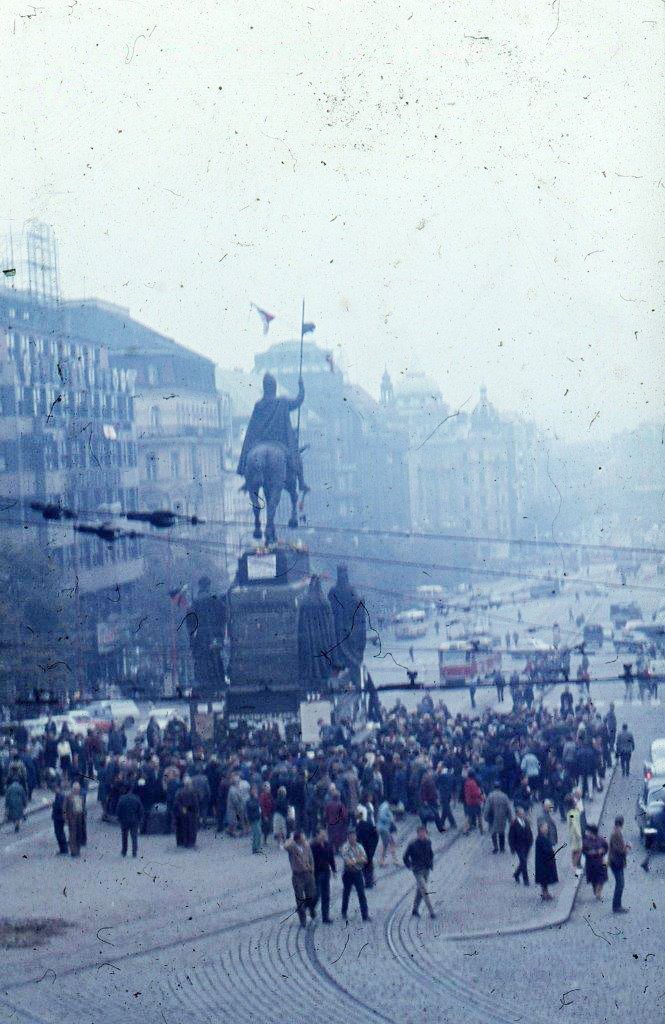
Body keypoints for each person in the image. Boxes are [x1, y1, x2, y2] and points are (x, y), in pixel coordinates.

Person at [283, 829, 317, 927]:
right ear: (297, 839)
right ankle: (303, 919)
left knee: (312, 894)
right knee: (299, 899)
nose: (304, 838)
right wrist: (291, 838)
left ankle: (311, 909)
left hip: (308, 874)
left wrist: (312, 869)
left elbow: (311, 857)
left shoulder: (306, 845)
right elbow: (285, 846)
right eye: (302, 837)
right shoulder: (292, 847)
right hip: (298, 876)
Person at [403, 824, 436, 919]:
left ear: (426, 833)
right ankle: (431, 912)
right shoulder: (412, 844)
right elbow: (405, 857)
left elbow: (431, 853)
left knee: (420, 890)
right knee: (424, 889)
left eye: (424, 833)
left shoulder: (428, 842)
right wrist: (410, 866)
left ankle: (415, 909)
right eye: (420, 834)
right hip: (417, 870)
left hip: (426, 869)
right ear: (417, 834)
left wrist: (430, 864)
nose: (422, 835)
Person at [340, 826, 370, 922]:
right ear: (348, 837)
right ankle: (344, 911)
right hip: (348, 873)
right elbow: (348, 862)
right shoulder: (345, 847)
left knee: (361, 893)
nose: (353, 838)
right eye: (351, 836)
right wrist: (358, 859)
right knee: (346, 893)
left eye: (354, 836)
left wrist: (355, 860)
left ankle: (365, 915)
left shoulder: (359, 846)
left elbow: (365, 859)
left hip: (357, 873)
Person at [311, 827, 337, 924]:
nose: (324, 836)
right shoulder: (312, 846)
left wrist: (334, 870)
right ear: (317, 835)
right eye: (322, 835)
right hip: (316, 873)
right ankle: (311, 907)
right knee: (316, 895)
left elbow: (331, 858)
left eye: (325, 835)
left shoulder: (328, 845)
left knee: (326, 896)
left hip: (326, 872)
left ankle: (325, 917)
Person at [609, 815, 630, 912]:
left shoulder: (616, 832)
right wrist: (628, 847)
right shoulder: (616, 833)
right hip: (616, 862)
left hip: (616, 862)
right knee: (620, 884)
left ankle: (617, 905)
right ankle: (616, 906)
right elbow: (620, 850)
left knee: (620, 883)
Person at [583, 823, 609, 899]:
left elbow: (606, 848)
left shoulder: (601, 840)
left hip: (600, 862)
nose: (587, 833)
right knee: (594, 880)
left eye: (589, 832)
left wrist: (603, 852)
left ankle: (599, 892)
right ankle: (595, 890)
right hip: (591, 864)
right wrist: (593, 852)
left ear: (592, 832)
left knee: (601, 879)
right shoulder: (586, 841)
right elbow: (584, 852)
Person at [116, 785, 143, 858]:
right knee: (134, 836)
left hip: (124, 820)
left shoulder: (122, 798)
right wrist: (139, 819)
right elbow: (140, 809)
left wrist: (119, 818)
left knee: (124, 836)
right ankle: (134, 852)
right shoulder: (136, 798)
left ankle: (124, 851)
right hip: (134, 820)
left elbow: (118, 810)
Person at [509, 806, 533, 886]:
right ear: (517, 814)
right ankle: (526, 880)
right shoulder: (514, 823)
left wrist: (531, 841)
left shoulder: (526, 821)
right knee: (523, 861)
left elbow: (529, 831)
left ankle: (516, 874)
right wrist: (512, 848)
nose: (523, 815)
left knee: (524, 861)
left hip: (527, 845)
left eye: (523, 813)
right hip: (518, 846)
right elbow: (511, 836)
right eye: (521, 813)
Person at [484, 785, 512, 853]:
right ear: (500, 788)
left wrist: (486, 817)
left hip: (492, 817)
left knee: (493, 832)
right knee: (501, 832)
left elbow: (487, 808)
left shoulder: (490, 796)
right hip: (502, 817)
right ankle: (502, 848)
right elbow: (508, 808)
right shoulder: (504, 796)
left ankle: (495, 847)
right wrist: (510, 818)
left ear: (494, 788)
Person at [535, 820, 558, 901]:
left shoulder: (545, 837)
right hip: (543, 863)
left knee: (546, 880)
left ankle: (546, 893)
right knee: (543, 880)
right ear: (540, 828)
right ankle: (544, 894)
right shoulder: (540, 839)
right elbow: (544, 850)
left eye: (547, 827)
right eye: (545, 827)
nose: (546, 829)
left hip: (546, 862)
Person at [173, 777, 199, 849]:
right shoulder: (193, 792)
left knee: (183, 827)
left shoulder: (179, 792)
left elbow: (176, 803)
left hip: (182, 812)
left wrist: (181, 809)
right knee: (191, 828)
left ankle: (183, 842)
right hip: (191, 812)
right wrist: (196, 811)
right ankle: (191, 842)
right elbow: (195, 803)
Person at [356, 809, 378, 889]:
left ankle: (368, 881)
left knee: (365, 866)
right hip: (369, 848)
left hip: (364, 848)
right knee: (369, 865)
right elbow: (376, 836)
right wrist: (373, 846)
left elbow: (357, 839)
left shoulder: (358, 826)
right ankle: (370, 881)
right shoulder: (369, 824)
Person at [640, 804, 665, 873]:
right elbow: (661, 828)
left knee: (654, 850)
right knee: (654, 850)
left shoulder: (659, 814)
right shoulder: (662, 816)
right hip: (660, 836)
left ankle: (645, 863)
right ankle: (645, 863)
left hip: (656, 836)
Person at [64, 781, 86, 857]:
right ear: (73, 789)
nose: (77, 790)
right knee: (72, 835)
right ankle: (73, 851)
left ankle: (78, 850)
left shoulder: (81, 797)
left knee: (79, 834)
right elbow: (64, 809)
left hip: (79, 818)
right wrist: (65, 819)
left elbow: (83, 808)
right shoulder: (68, 797)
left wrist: (84, 815)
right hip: (72, 819)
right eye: (76, 789)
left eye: (78, 789)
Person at [376, 799, 398, 866]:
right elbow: (382, 816)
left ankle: (394, 860)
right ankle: (382, 861)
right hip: (385, 828)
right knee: (386, 844)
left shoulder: (384, 806)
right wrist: (390, 820)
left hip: (387, 828)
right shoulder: (385, 807)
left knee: (391, 842)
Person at [52, 782, 68, 854]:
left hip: (59, 818)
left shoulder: (60, 796)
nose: (54, 790)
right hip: (58, 817)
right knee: (59, 833)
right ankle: (63, 849)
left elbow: (61, 807)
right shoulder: (59, 795)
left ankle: (64, 849)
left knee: (59, 833)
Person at [246, 785, 262, 854]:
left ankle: (257, 847)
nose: (255, 791)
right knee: (257, 833)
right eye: (254, 790)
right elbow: (252, 806)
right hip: (253, 818)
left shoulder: (256, 798)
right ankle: (255, 848)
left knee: (258, 833)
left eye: (256, 790)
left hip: (257, 817)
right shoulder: (249, 799)